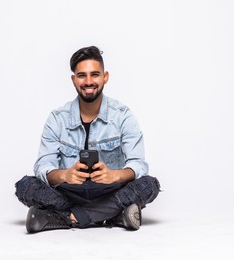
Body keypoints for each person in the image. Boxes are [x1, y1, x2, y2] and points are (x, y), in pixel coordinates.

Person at [15, 46, 160, 233]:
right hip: (69, 193)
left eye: (95, 75)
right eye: (82, 75)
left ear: (105, 77)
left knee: (149, 185)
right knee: (25, 186)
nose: (89, 81)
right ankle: (113, 215)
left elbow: (138, 165)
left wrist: (115, 175)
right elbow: (43, 164)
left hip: (110, 191)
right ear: (73, 80)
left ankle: (64, 217)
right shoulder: (57, 118)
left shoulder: (123, 116)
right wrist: (64, 175)